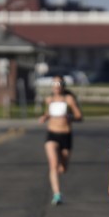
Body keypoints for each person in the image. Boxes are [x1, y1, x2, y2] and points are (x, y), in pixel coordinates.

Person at [38, 75, 83, 205]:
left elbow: (79, 116)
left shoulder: (68, 99)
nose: (56, 86)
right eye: (54, 84)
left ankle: (60, 169)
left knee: (63, 168)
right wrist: (45, 117)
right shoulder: (49, 99)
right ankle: (57, 194)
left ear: (63, 85)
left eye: (59, 84)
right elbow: (48, 113)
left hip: (65, 135)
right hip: (52, 134)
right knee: (53, 164)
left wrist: (70, 117)